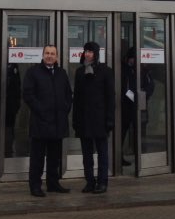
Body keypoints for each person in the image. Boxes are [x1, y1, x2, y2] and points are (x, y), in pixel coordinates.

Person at [22, 44, 72, 197]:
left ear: (57, 56)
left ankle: (53, 183)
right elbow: (28, 95)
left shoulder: (62, 73)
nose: (50, 56)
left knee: (54, 157)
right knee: (37, 158)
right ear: (43, 55)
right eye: (47, 53)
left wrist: (64, 109)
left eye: (53, 53)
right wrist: (41, 110)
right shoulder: (33, 72)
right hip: (40, 123)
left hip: (58, 123)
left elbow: (68, 94)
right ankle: (35, 186)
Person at [72, 41, 114, 194]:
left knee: (102, 153)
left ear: (96, 54)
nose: (88, 54)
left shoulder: (106, 71)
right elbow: (76, 98)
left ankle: (102, 182)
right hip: (84, 120)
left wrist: (110, 119)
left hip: (100, 120)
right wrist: (75, 120)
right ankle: (90, 181)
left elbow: (110, 97)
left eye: (90, 52)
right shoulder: (79, 72)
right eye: (86, 51)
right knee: (86, 154)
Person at [120, 47, 154, 165]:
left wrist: (143, 96)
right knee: (122, 132)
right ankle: (120, 156)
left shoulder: (143, 70)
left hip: (139, 107)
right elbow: (124, 89)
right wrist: (135, 99)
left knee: (140, 132)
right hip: (126, 108)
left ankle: (140, 156)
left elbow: (150, 85)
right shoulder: (123, 70)